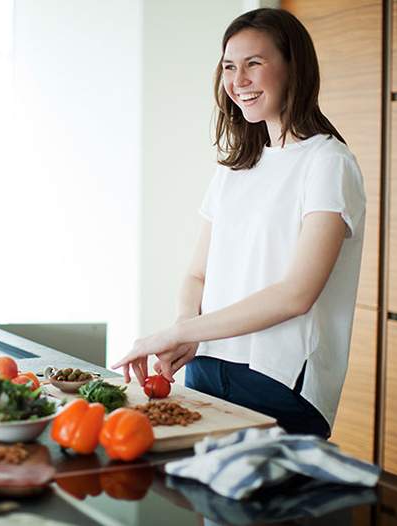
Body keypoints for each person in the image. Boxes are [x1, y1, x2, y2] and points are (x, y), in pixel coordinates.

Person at [111, 8, 366, 439]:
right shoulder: (235, 168)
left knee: (265, 507)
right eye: (230, 66)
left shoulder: (328, 163)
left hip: (280, 379)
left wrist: (177, 331)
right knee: (204, 505)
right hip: (206, 369)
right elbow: (197, 273)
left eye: (254, 64)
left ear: (293, 68)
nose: (239, 81)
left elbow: (295, 295)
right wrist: (183, 335)